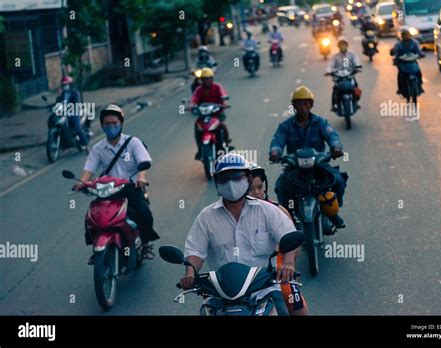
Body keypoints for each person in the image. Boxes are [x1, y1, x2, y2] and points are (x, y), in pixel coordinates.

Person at [180, 154, 303, 316]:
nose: (231, 183)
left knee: (291, 309)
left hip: (264, 291)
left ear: (249, 179)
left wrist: (288, 263)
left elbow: (290, 238)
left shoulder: (268, 211)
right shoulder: (206, 217)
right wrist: (190, 274)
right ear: (217, 181)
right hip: (220, 296)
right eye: (224, 178)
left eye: (237, 176)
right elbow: (195, 252)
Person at [73, 104, 159, 263]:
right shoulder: (98, 148)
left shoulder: (133, 143)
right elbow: (89, 169)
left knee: (144, 213)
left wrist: (141, 178)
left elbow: (144, 161)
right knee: (92, 216)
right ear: (102, 126)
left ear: (121, 123)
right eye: (107, 124)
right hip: (107, 190)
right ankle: (97, 247)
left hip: (131, 188)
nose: (111, 126)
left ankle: (145, 244)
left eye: (114, 123)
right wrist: (82, 183)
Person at [269, 86, 347, 229]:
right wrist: (275, 152)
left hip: (318, 164)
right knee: (281, 187)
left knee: (339, 180)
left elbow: (332, 135)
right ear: (294, 106)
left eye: (306, 103)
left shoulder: (320, 122)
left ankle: (333, 213)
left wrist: (335, 147)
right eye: (299, 103)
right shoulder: (286, 125)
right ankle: (289, 217)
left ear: (311, 105)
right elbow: (277, 140)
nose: (303, 107)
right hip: (295, 166)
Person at [248, 163, 309, 316]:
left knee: (293, 300)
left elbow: (294, 244)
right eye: (250, 189)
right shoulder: (229, 215)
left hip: (274, 269)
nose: (257, 193)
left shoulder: (278, 210)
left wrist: (288, 266)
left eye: (260, 187)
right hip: (243, 272)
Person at [191, 67, 232, 160]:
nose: (206, 81)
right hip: (204, 114)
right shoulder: (199, 89)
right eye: (204, 79)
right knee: (197, 127)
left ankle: (226, 143)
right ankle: (200, 149)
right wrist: (191, 106)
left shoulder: (217, 87)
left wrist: (224, 102)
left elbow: (223, 94)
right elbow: (194, 99)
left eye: (208, 79)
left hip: (217, 113)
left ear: (212, 79)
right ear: (201, 80)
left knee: (222, 125)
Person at [327, 37, 362, 111]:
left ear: (347, 45)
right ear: (338, 46)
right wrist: (329, 71)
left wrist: (357, 67)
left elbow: (357, 62)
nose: (343, 46)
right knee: (335, 89)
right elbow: (330, 65)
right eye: (341, 45)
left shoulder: (352, 54)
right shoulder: (335, 56)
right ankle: (334, 105)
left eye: (344, 44)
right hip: (339, 76)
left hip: (350, 75)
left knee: (356, 88)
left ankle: (355, 102)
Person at [56, 76, 89, 151]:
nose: (64, 87)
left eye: (66, 85)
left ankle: (86, 144)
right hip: (65, 113)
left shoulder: (74, 93)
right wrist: (58, 97)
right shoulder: (62, 94)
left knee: (77, 128)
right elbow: (58, 103)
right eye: (63, 85)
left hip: (74, 112)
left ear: (70, 84)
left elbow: (76, 102)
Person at [390, 27, 425, 95]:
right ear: (402, 36)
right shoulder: (398, 44)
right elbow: (395, 52)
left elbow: (418, 51)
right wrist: (395, 55)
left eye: (407, 34)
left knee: (418, 72)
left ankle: (420, 86)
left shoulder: (414, 43)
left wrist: (421, 54)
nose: (406, 36)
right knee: (401, 75)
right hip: (402, 63)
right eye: (404, 35)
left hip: (412, 62)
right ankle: (400, 89)